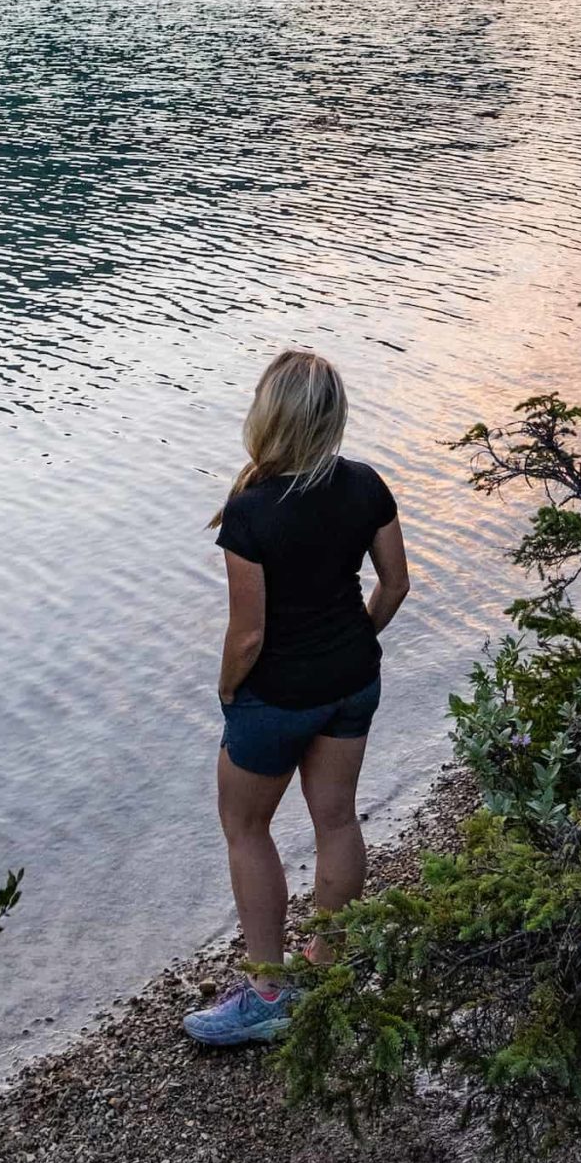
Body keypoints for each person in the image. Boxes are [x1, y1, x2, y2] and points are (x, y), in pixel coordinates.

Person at [183, 347, 411, 1047]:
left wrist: (227, 689)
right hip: (351, 683)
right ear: (331, 416)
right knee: (336, 821)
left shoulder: (249, 512)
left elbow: (247, 636)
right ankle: (327, 966)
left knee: (246, 830)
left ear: (268, 415)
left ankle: (267, 994)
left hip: (275, 697)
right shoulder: (366, 484)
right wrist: (352, 642)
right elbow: (395, 585)